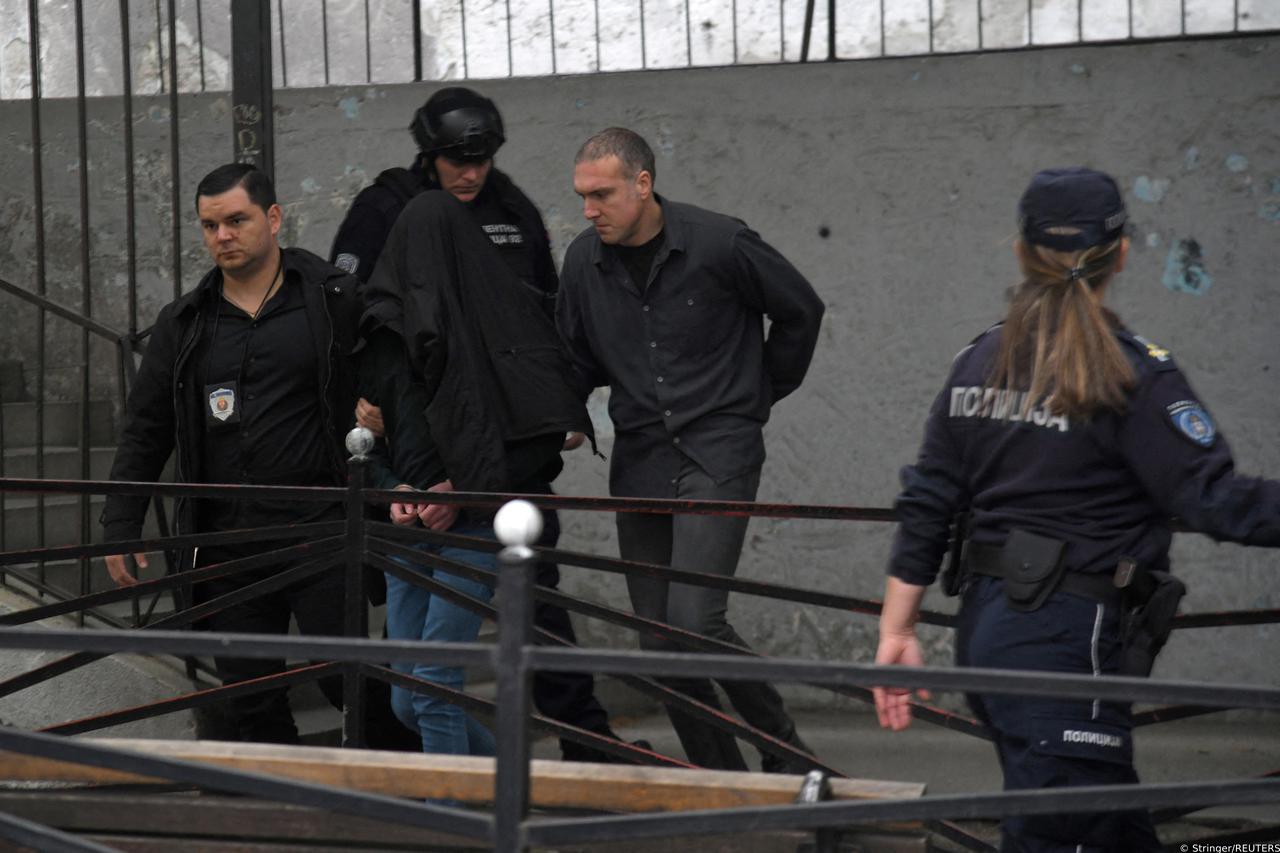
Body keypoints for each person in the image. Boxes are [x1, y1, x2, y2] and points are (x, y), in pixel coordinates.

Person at [872, 167, 1280, 851]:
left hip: (988, 636)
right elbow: (1217, 499)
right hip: (1068, 642)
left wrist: (898, 627)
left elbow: (929, 498)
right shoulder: (1133, 374)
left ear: (1021, 252)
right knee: (1066, 832)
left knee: (1102, 825)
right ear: (1121, 254)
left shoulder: (977, 363)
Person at [341, 88, 632, 759]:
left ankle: (579, 745)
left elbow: (544, 314)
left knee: (534, 599)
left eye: (482, 160)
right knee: (415, 672)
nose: (471, 173)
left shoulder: (510, 208)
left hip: (498, 455)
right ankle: (442, 764)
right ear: (429, 154)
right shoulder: (389, 208)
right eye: (456, 161)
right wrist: (368, 406)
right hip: (415, 454)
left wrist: (553, 402)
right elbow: (354, 314)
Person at [99, 163, 405, 747]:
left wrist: (388, 423)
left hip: (322, 530)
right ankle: (278, 800)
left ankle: (416, 787)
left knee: (348, 682)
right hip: (226, 541)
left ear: (273, 218)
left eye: (237, 221)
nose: (223, 236)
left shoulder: (333, 299)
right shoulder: (186, 323)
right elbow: (146, 428)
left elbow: (391, 377)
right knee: (249, 697)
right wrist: (121, 522)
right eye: (210, 226)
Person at [556, 127, 826, 772]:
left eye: (602, 194)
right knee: (658, 641)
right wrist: (564, 414)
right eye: (582, 196)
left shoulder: (720, 242)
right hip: (642, 458)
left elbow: (801, 311)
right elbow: (572, 356)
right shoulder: (583, 262)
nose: (589, 210)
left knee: (694, 620)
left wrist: (755, 394)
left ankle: (786, 753)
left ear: (643, 184)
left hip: (718, 449)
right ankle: (720, 775)